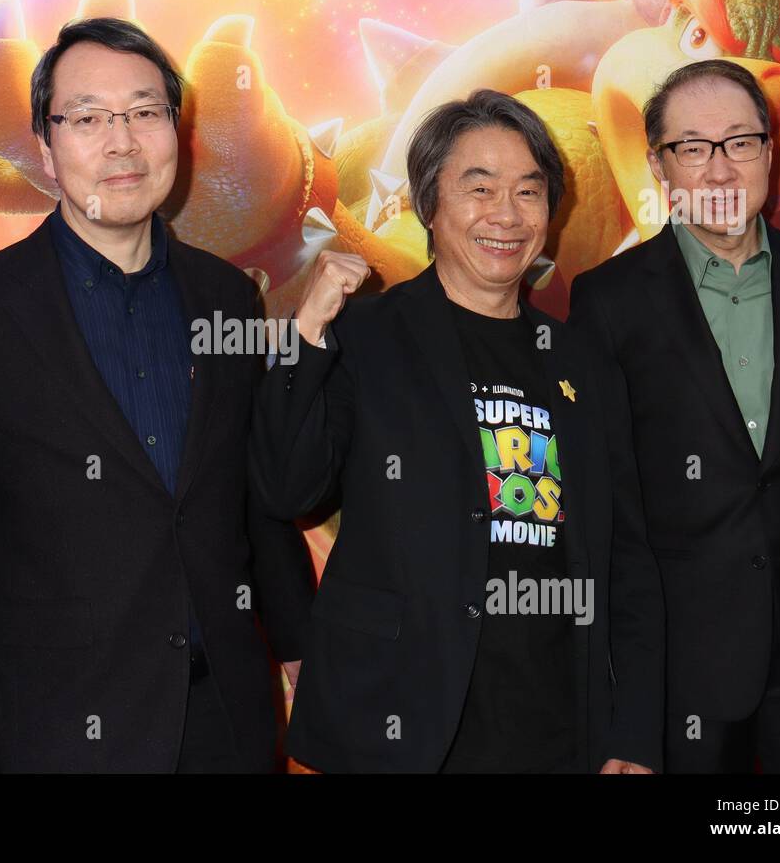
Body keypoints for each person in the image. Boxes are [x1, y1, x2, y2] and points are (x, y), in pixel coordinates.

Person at [0, 18, 313, 773]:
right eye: (89, 117)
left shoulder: (228, 297)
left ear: (178, 129)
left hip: (225, 724)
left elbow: (251, 498)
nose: (122, 143)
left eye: (144, 112)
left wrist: (298, 648)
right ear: (46, 146)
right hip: (60, 731)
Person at [250, 89, 663, 773]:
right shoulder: (367, 335)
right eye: (480, 188)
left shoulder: (581, 360)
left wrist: (635, 733)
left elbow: (629, 555)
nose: (506, 214)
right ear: (427, 204)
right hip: (392, 720)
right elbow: (286, 486)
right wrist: (307, 334)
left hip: (551, 722)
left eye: (529, 192)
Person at [570, 58, 780, 772]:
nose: (718, 170)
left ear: (770, 153)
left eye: (740, 142)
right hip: (682, 666)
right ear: (657, 164)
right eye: (692, 147)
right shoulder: (609, 302)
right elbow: (608, 500)